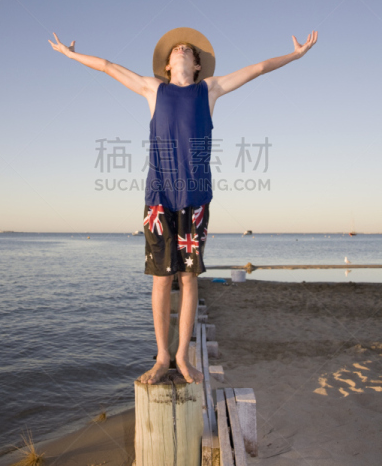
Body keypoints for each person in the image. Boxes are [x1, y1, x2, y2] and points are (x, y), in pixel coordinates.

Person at [49, 27, 317, 385]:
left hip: (195, 199)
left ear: (197, 65)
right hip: (158, 199)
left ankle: (181, 357)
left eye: (187, 49)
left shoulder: (210, 90)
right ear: (167, 65)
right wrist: (70, 55)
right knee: (162, 280)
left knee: (189, 279)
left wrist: (296, 55)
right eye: (175, 49)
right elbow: (108, 66)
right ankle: (162, 357)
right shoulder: (152, 89)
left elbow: (257, 68)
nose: (180, 50)